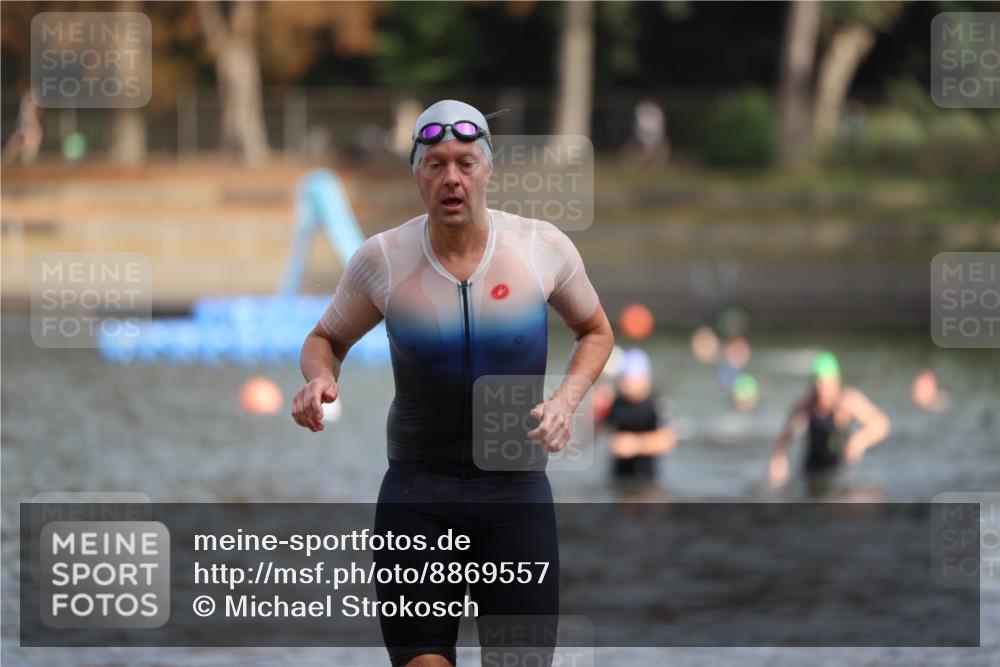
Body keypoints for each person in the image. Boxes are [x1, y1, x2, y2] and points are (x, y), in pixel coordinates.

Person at [291, 100, 613, 667]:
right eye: (435, 164)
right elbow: (325, 339)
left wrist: (565, 402)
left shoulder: (542, 248)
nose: (451, 179)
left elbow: (595, 331)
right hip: (418, 498)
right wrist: (319, 378)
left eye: (465, 163)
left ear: (488, 169)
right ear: (416, 173)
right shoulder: (382, 260)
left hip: (515, 498)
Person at [767, 352, 890, 496]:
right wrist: (778, 459)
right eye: (818, 383)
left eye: (826, 384)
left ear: (836, 381)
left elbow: (882, 423)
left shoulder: (847, 400)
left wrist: (860, 440)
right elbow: (785, 435)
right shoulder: (806, 404)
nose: (821, 390)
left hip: (839, 472)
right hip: (810, 470)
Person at [600, 348, 677, 487]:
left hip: (646, 479)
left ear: (645, 379)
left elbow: (668, 440)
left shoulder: (657, 403)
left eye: (630, 378)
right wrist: (596, 413)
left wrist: (636, 445)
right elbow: (596, 434)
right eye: (623, 377)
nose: (626, 383)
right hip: (619, 478)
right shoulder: (616, 402)